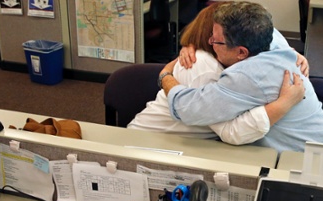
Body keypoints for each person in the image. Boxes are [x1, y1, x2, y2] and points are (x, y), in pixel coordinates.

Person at [160, 1, 323, 158]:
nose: (210, 43)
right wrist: (193, 42)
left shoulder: (249, 75)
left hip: (315, 169)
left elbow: (187, 108)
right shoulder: (268, 36)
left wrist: (165, 76)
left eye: (215, 41)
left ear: (241, 52)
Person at [128, 2, 306, 144]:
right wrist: (284, 103)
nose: (211, 40)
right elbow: (231, 131)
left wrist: (290, 53)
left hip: (180, 142)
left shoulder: (228, 59)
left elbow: (270, 38)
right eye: (212, 38)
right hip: (151, 141)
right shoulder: (204, 68)